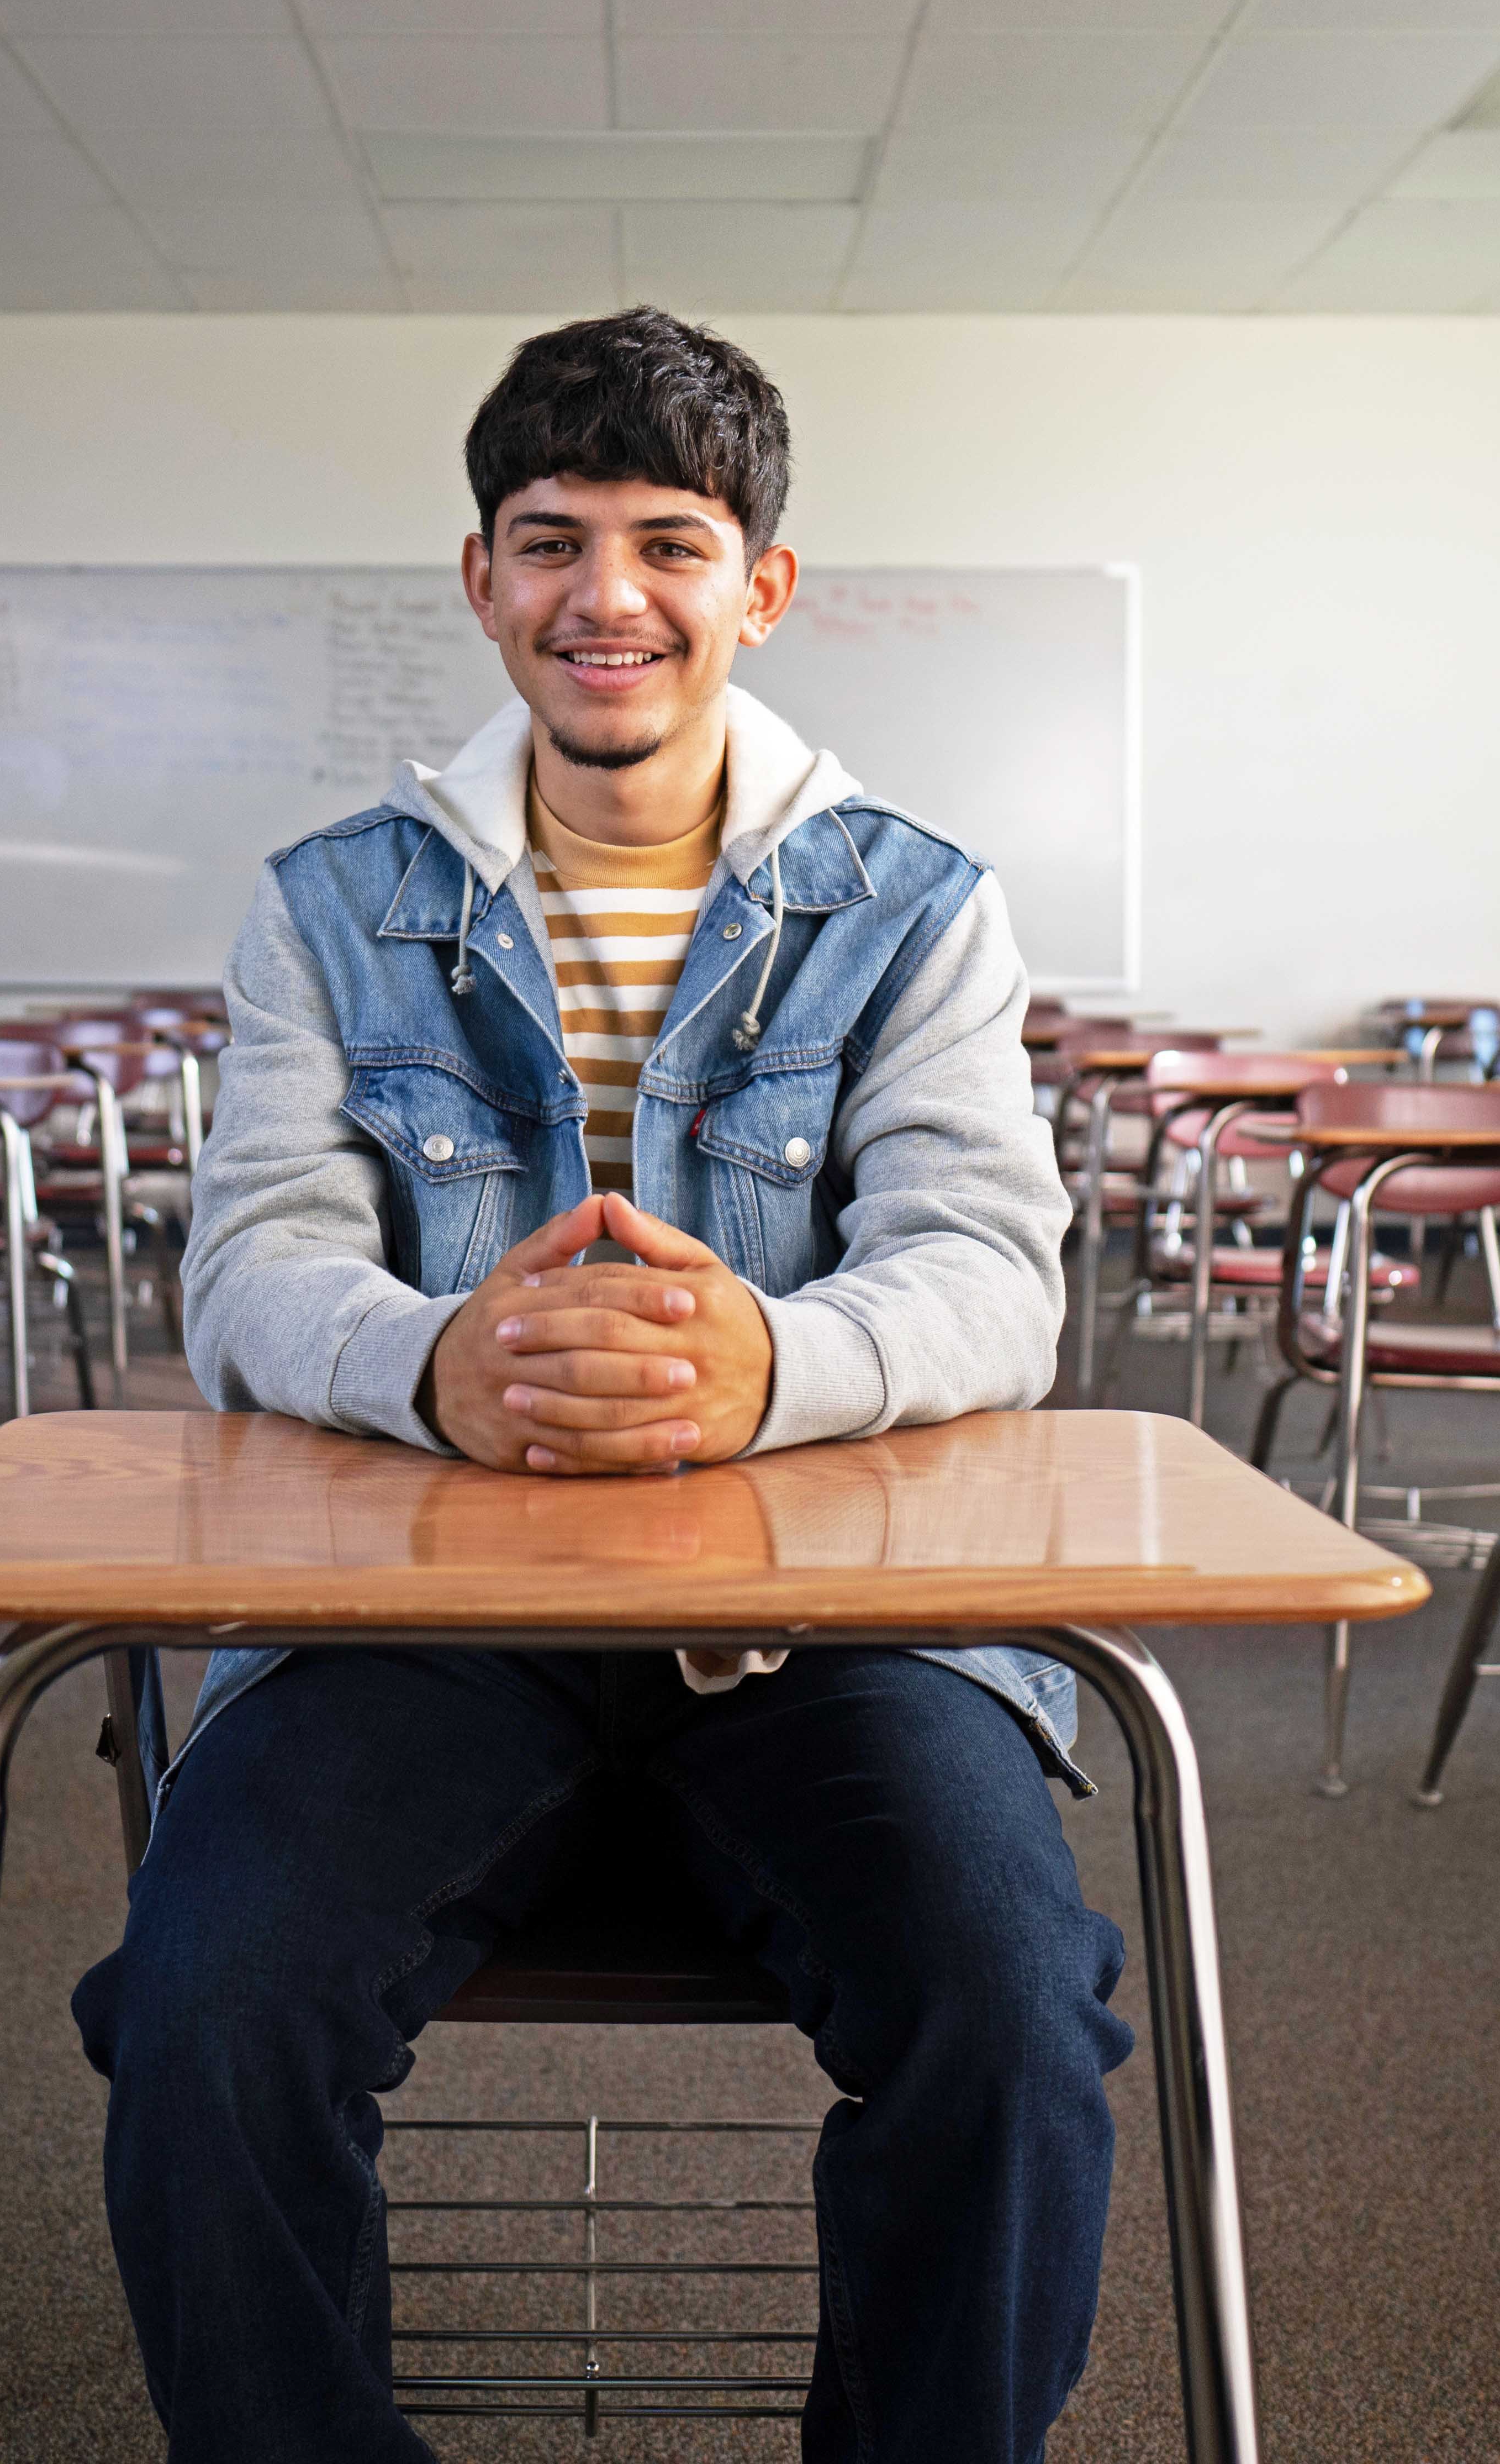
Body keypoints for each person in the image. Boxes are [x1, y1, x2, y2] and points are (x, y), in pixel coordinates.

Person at [75, 307, 1131, 2461]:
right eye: (550, 541)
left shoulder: (917, 907)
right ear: (482, 582)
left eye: (671, 539)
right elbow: (261, 1257)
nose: (608, 598)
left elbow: (988, 1271)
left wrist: (773, 1360)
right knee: (203, 2004)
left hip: (835, 1631)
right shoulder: (330, 906)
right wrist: (435, 1359)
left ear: (764, 583)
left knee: (1014, 2014)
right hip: (425, 1622)